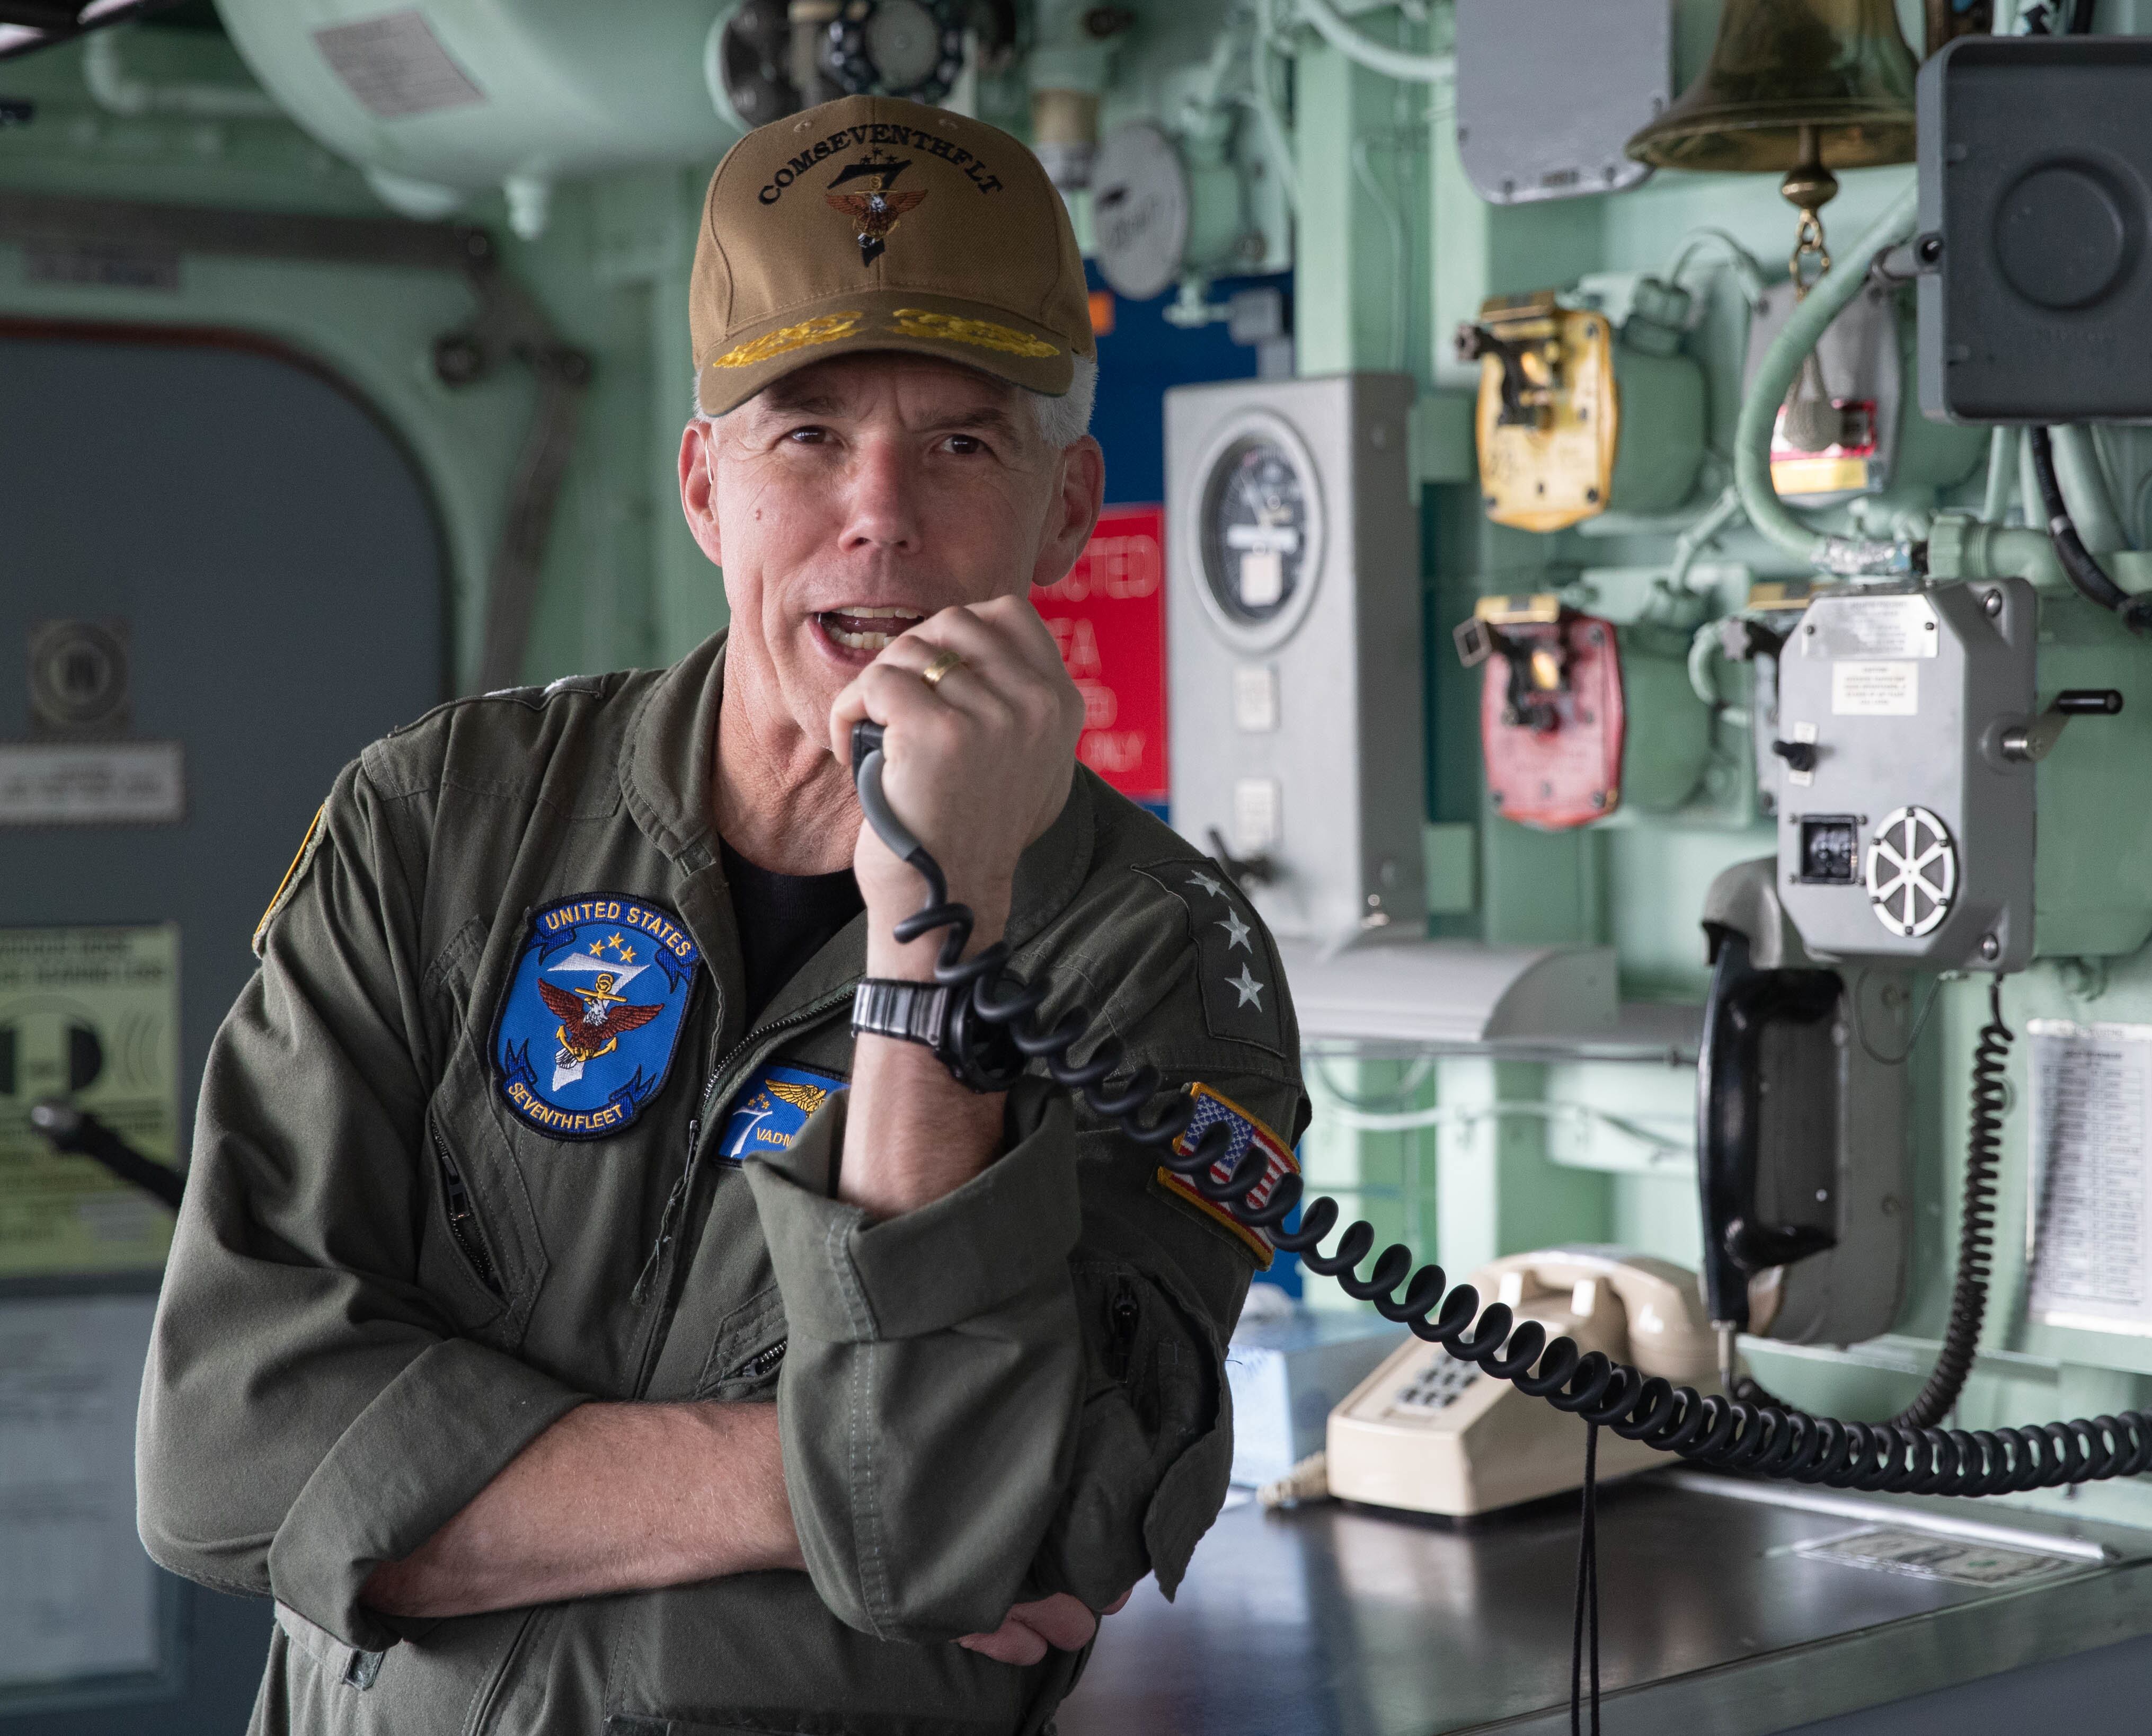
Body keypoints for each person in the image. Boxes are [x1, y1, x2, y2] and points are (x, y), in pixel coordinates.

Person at [135, 94, 1307, 1736]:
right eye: (806, 433)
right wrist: (817, 1481)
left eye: (962, 440)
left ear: (1064, 506)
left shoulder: (1156, 954)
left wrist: (937, 945)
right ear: (705, 483)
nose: (878, 510)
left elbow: (988, 1539)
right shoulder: (439, 820)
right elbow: (221, 1460)